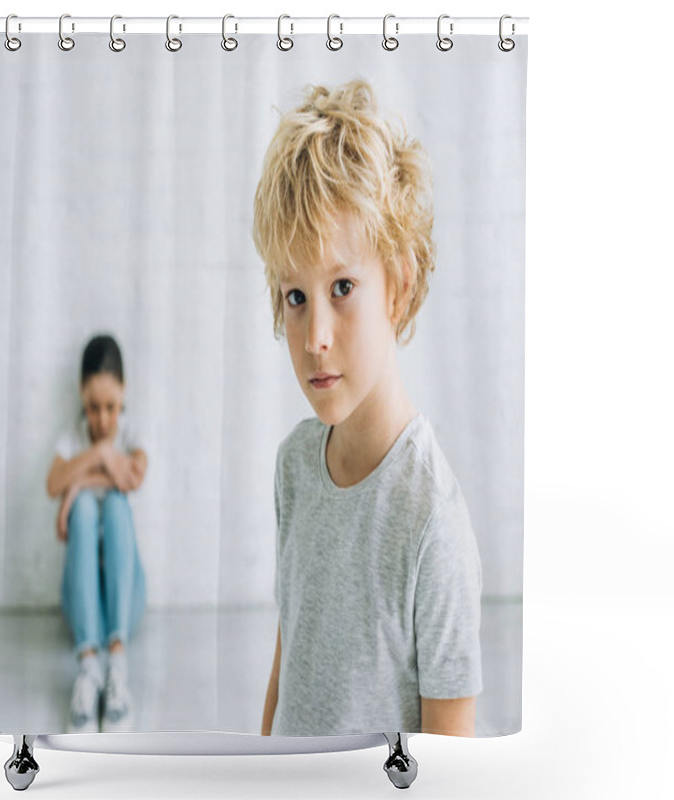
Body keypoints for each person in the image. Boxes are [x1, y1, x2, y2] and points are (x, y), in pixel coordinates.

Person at [253, 81, 483, 737]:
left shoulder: (431, 523)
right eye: (295, 296)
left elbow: (450, 761)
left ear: (400, 287)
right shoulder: (295, 466)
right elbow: (287, 653)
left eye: (343, 287)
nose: (314, 336)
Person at [46, 334, 148, 733]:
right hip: (82, 604)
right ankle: (89, 670)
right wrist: (101, 457)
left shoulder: (131, 433)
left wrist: (78, 483)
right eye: (93, 408)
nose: (103, 420)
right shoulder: (74, 436)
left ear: (123, 395)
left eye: (111, 407)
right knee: (87, 509)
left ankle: (117, 669)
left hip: (125, 602)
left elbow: (132, 476)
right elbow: (52, 482)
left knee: (116, 505)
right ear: (80, 398)